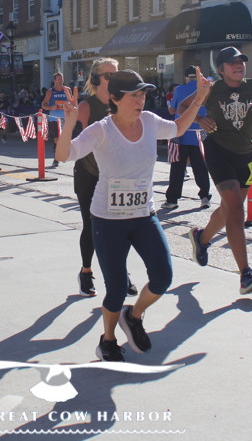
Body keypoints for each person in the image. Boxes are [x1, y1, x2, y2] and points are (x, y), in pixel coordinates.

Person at [55, 68, 210, 361]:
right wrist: (69, 124)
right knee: (115, 289)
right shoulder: (101, 129)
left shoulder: (150, 122)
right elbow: (64, 155)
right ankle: (108, 340)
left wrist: (200, 97)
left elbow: (178, 128)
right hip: (108, 220)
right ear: (114, 98)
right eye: (133, 96)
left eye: (143, 95)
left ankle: (134, 316)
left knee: (162, 277)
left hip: (143, 216)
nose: (140, 101)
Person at [184, 46, 252, 295]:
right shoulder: (212, 89)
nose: (239, 66)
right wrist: (200, 119)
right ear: (221, 69)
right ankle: (246, 275)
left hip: (246, 155)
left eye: (241, 61)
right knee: (237, 210)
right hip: (218, 151)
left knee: (229, 208)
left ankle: (202, 238)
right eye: (232, 63)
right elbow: (182, 107)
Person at [70, 57, 135, 299]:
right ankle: (86, 272)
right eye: (109, 75)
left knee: (122, 227)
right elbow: (76, 141)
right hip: (89, 173)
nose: (114, 78)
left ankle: (121, 274)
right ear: (96, 80)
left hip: (116, 174)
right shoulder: (87, 106)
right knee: (92, 226)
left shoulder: (123, 103)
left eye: (116, 74)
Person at [162, 65, 212, 211]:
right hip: (200, 133)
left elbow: (173, 110)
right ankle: (204, 197)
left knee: (177, 167)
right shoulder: (207, 89)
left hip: (181, 133)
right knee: (200, 166)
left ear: (185, 77)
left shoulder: (179, 90)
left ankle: (172, 200)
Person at [41, 73, 69, 169]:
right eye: (58, 79)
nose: (60, 81)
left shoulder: (67, 90)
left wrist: (69, 105)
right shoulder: (50, 92)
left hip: (65, 119)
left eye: (62, 79)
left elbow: (73, 102)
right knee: (56, 139)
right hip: (54, 119)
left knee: (64, 139)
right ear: (54, 81)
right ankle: (56, 158)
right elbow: (43, 105)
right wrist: (51, 107)